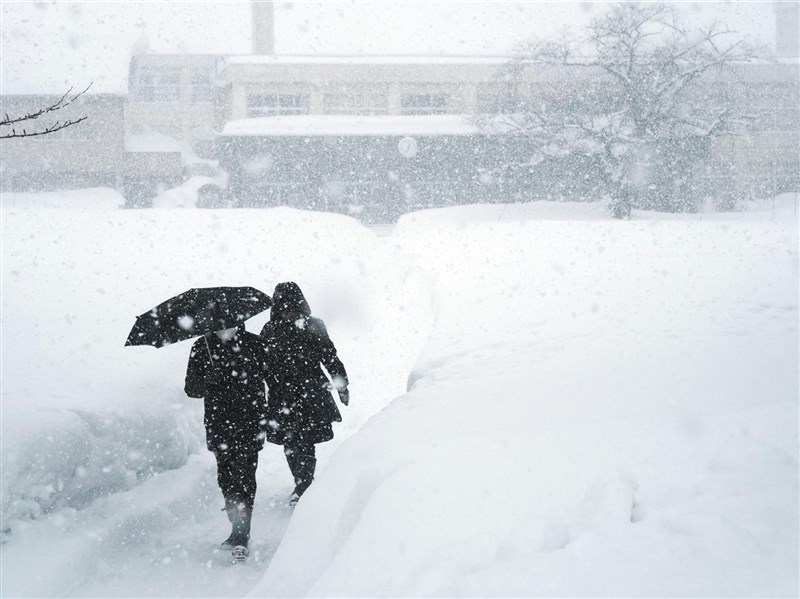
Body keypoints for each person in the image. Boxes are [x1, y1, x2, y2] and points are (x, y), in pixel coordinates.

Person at [184, 323, 270, 562]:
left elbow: (272, 377)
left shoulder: (254, 343)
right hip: (219, 423)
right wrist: (207, 380)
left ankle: (241, 535)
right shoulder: (202, 346)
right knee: (226, 478)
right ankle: (236, 526)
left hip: (250, 421)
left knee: (245, 476)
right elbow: (191, 388)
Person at [259, 282, 349, 506]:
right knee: (290, 441)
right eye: (283, 307)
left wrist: (342, 385)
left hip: (311, 392)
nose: (288, 312)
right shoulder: (270, 329)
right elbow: (261, 363)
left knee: (305, 439)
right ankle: (301, 483)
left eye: (292, 306)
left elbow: (329, 356)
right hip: (282, 394)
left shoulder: (314, 325)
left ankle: (304, 485)